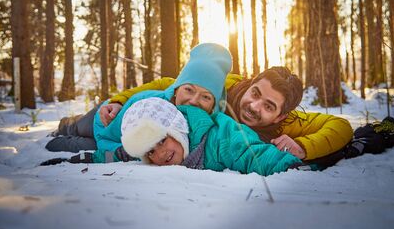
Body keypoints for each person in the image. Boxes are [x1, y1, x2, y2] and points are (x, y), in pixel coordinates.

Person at [47, 66, 353, 164]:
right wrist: (117, 100)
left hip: (149, 139)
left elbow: (340, 125)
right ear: (250, 85)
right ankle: (65, 124)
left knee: (84, 145)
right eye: (256, 94)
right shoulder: (224, 86)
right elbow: (168, 85)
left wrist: (304, 147)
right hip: (128, 114)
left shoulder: (288, 124)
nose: (254, 106)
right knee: (88, 123)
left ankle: (66, 138)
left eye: (269, 106)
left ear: (279, 117)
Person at [42, 97, 305, 177]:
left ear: (176, 130)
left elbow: (251, 154)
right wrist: (78, 160)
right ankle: (64, 127)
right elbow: (114, 153)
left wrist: (293, 164)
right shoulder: (146, 142)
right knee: (70, 135)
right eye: (150, 153)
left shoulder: (219, 137)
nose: (160, 155)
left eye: (162, 142)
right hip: (109, 119)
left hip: (120, 117)